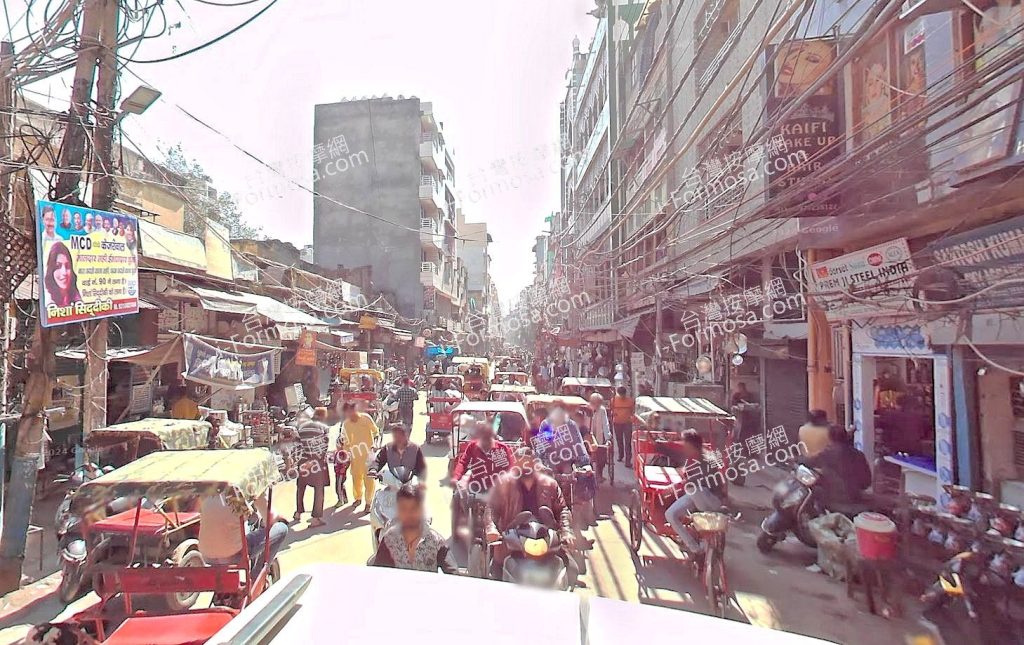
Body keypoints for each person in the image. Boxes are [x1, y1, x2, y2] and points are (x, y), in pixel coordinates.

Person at [487, 448, 578, 583]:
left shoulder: (550, 483)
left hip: (546, 536)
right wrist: (491, 529)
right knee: (496, 573)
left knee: (572, 569)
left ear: (535, 463)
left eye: (528, 463)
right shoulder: (503, 483)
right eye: (521, 464)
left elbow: (562, 509)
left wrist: (566, 531)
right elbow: (491, 510)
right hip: (513, 538)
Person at [369, 484, 457, 573]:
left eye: (413, 509)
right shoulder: (389, 539)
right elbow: (379, 573)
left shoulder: (435, 541)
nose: (408, 515)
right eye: (404, 509)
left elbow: (453, 574)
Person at [665, 429, 726, 556]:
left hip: (712, 499)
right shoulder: (691, 458)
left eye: (685, 445)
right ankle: (694, 548)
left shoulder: (707, 460)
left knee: (693, 489)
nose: (683, 447)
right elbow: (687, 476)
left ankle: (702, 529)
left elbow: (692, 482)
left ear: (693, 446)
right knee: (670, 514)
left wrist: (675, 486)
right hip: (695, 495)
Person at [198, 491, 288, 573]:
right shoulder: (249, 486)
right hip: (233, 554)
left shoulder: (210, 490)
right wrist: (279, 517)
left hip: (206, 554)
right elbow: (270, 518)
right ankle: (256, 576)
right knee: (282, 528)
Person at [805, 424, 872, 505]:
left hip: (833, 500)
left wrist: (794, 459)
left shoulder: (827, 454)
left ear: (830, 438)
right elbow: (867, 482)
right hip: (855, 497)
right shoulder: (859, 454)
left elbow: (809, 461)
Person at [294, 407, 331, 527]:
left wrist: (299, 461)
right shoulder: (324, 428)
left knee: (301, 486)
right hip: (316, 463)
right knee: (319, 489)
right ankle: (316, 518)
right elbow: (323, 447)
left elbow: (296, 445)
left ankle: (298, 513)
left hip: (303, 461)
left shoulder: (302, 427)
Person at [342, 401, 380, 512]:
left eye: (351, 411)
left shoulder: (366, 418)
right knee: (356, 479)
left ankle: (368, 503)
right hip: (355, 457)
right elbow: (345, 441)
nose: (350, 414)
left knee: (369, 480)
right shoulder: (346, 424)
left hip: (368, 456)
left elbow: (376, 432)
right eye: (347, 413)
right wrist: (345, 454)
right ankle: (357, 498)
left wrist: (376, 445)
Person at [534, 405, 590, 474]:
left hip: (568, 461)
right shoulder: (547, 424)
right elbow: (542, 445)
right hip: (550, 460)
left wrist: (585, 462)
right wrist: (539, 461)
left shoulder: (571, 425)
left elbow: (578, 444)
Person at [43, 242, 82, 307]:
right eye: (57, 266)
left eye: (67, 266)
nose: (64, 273)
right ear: (51, 269)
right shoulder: (48, 299)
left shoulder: (75, 294)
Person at [587, 393, 611, 482]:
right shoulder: (587, 409)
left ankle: (599, 474)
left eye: (599, 403)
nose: (597, 405)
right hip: (588, 437)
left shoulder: (602, 410)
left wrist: (608, 438)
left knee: (601, 457)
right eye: (595, 403)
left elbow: (605, 424)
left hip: (599, 437)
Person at [610, 386, 635, 463]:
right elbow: (611, 409)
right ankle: (621, 455)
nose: (622, 396)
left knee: (628, 442)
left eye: (623, 394)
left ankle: (628, 460)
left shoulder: (630, 401)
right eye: (621, 394)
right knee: (619, 440)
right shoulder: (613, 400)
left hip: (627, 423)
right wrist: (614, 414)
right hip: (617, 423)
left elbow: (632, 411)